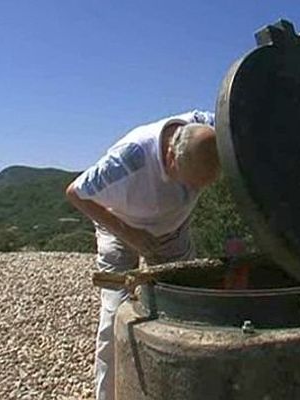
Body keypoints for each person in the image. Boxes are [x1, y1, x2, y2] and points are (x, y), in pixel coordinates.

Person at [65, 110, 220, 400]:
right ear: (171, 158)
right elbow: (75, 193)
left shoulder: (209, 126)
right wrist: (130, 234)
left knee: (188, 308)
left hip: (173, 232)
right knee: (116, 319)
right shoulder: (128, 160)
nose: (195, 191)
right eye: (190, 183)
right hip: (120, 227)